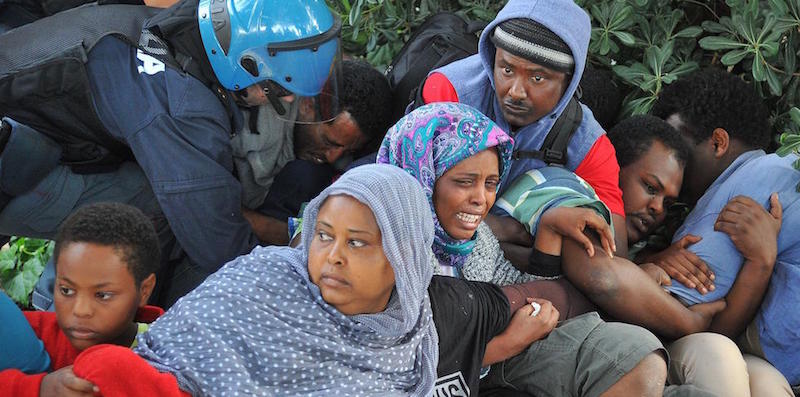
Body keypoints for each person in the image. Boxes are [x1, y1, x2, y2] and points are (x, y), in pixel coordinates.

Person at [0, 0, 344, 307]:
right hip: (14, 155)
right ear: (246, 66)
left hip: (34, 120)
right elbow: (219, 244)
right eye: (279, 89)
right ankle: (72, 320)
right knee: (154, 212)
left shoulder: (186, 24)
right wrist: (291, 270)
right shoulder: (182, 106)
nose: (286, 100)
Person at [378, 103, 675, 397]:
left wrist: (548, 230)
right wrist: (505, 345)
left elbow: (523, 291)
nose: (481, 199)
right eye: (464, 182)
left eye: (491, 183)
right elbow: (394, 365)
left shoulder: (477, 241)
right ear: (423, 176)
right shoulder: (386, 255)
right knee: (630, 354)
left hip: (496, 364)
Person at [420, 0, 629, 255]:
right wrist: (505, 229)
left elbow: (613, 247)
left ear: (569, 81)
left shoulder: (587, 143)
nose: (516, 92)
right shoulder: (450, 92)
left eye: (537, 78)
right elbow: (412, 197)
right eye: (506, 69)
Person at [647, 68, 799, 396]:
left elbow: (668, 306)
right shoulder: (781, 167)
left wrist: (646, 268)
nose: (663, 161)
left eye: (675, 146)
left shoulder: (738, 194)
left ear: (718, 142)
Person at [0, 202, 163, 397]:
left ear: (144, 290)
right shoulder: (39, 330)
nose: (80, 310)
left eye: (102, 295)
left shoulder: (165, 359)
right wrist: (37, 388)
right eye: (67, 291)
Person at [237, 59, 394, 245]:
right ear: (307, 105)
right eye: (329, 142)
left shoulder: (339, 161)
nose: (332, 156)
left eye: (348, 150)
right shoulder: (255, 122)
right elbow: (211, 202)